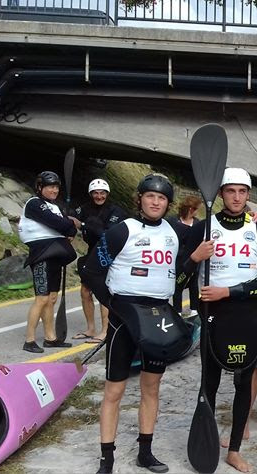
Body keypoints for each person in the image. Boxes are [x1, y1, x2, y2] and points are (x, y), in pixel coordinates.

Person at [81, 174, 190, 474]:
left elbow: (204, 242)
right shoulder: (121, 231)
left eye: (162, 198)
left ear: (168, 203)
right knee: (114, 391)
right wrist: (115, 306)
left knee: (150, 389)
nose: (156, 202)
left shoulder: (175, 233)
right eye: (150, 196)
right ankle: (107, 460)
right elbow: (90, 272)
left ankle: (146, 452)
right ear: (140, 199)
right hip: (123, 318)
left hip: (157, 317)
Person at [179, 167, 257, 472]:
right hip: (212, 316)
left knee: (244, 381)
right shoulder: (203, 228)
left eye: (242, 192)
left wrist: (228, 292)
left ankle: (234, 449)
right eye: (230, 191)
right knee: (209, 382)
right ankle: (205, 440)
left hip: (246, 314)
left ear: (249, 195)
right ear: (220, 194)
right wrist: (195, 258)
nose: (236, 197)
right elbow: (179, 278)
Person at [18, 171, 78, 353]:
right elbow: (61, 225)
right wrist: (68, 225)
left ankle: (50, 337)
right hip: (42, 255)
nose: (54, 190)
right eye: (50, 186)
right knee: (42, 298)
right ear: (40, 187)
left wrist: (68, 226)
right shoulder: (34, 204)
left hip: (56, 255)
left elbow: (68, 228)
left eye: (56, 187)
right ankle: (29, 340)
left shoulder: (55, 206)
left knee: (52, 298)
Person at [71, 178, 128, 343]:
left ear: (107, 194)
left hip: (107, 253)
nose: (99, 196)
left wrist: (82, 224)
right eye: (95, 193)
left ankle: (105, 331)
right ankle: (90, 329)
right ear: (91, 194)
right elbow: (71, 217)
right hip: (91, 253)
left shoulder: (116, 211)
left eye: (102, 193)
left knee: (103, 292)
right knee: (85, 291)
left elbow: (106, 234)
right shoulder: (85, 208)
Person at [169, 195, 201, 315]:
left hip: (194, 260)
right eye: (196, 209)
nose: (197, 212)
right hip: (179, 261)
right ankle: (177, 311)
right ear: (191, 209)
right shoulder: (172, 221)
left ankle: (194, 309)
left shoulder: (197, 223)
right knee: (179, 284)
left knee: (193, 285)